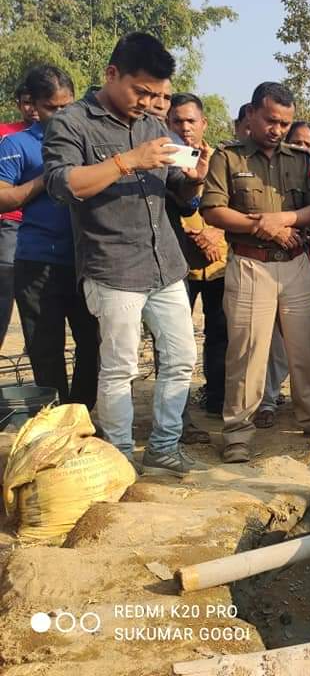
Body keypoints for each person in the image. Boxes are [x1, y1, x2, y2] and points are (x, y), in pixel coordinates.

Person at [43, 32, 210, 477]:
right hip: (113, 266)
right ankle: (118, 457)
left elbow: (179, 192)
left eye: (158, 95)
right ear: (111, 74)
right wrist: (127, 161)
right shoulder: (72, 122)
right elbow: (64, 186)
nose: (151, 103)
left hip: (165, 264)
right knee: (119, 367)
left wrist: (195, 178)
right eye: (142, 91)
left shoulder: (154, 126)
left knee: (181, 359)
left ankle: (164, 447)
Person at [202, 82, 310, 463]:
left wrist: (283, 219)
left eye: (284, 122)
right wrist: (260, 227)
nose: (277, 129)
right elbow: (212, 209)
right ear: (251, 115)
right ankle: (237, 432)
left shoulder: (301, 159)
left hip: (295, 264)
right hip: (250, 265)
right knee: (248, 353)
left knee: (305, 349)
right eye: (270, 120)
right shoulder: (227, 159)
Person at [0, 66, 99, 410]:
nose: (61, 114)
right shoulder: (16, 144)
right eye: (52, 107)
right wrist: (49, 178)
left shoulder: (86, 140)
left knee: (94, 343)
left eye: (67, 105)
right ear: (33, 106)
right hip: (38, 262)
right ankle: (56, 423)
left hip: (85, 261)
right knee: (45, 349)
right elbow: (3, 197)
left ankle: (82, 417)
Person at [257, 121, 310, 424]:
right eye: (297, 142)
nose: (302, 148)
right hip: (279, 266)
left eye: (308, 144)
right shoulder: (271, 178)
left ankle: (309, 405)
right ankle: (266, 402)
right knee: (275, 344)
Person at [167, 92, 228, 418]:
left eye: (191, 121)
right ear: (167, 123)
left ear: (204, 123)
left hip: (220, 263)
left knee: (221, 334)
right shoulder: (162, 158)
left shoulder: (221, 159)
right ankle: (178, 416)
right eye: (177, 121)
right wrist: (197, 233)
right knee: (175, 343)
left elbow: (235, 204)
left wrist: (216, 233)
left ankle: (217, 399)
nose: (185, 127)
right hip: (178, 264)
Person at [0, 82, 39, 349]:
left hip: (44, 227)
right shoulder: (6, 134)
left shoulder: (59, 134)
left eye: (37, 102)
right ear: (18, 104)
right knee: (5, 292)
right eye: (26, 102)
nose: (32, 109)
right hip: (11, 222)